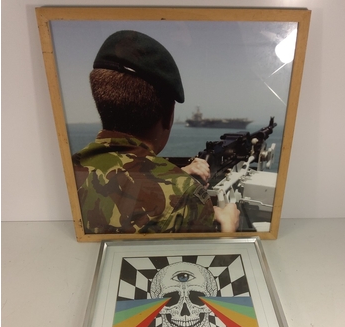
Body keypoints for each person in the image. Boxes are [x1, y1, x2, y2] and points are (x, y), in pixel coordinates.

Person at [72, 30, 240, 234]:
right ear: (168, 116)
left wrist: (179, 172)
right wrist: (228, 230)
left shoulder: (67, 172)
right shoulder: (185, 197)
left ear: (101, 104)